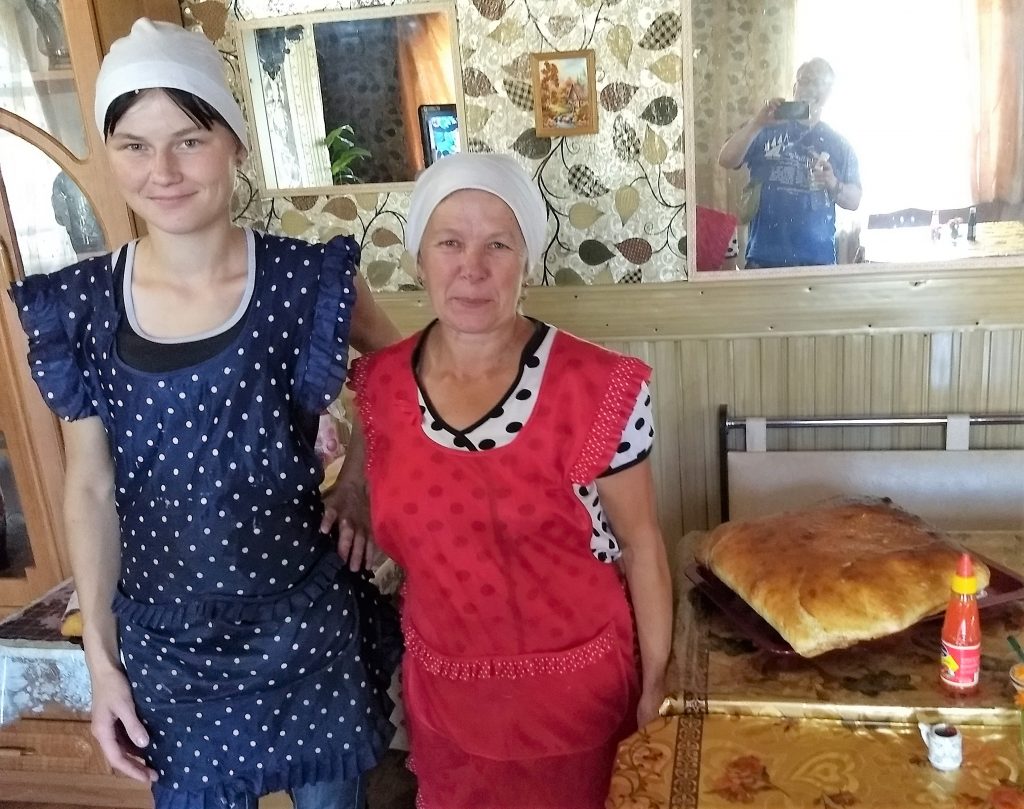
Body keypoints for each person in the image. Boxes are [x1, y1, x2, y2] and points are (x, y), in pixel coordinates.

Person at [7, 19, 402, 809]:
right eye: (133, 145)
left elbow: (398, 376)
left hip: (303, 628)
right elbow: (88, 488)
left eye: (189, 139)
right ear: (111, 153)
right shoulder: (80, 305)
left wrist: (359, 473)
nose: (162, 170)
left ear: (234, 144)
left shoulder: (305, 280)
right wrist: (102, 661)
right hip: (167, 646)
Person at [339, 153, 673, 808]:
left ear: (528, 259)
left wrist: (657, 678)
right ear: (419, 258)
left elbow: (643, 546)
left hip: (578, 706)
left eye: (499, 243)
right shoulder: (378, 388)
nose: (473, 267)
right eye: (450, 243)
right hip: (446, 708)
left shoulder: (598, 385)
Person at [718, 57, 862, 268]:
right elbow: (726, 159)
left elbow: (854, 200)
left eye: (819, 83)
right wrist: (757, 123)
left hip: (817, 263)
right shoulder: (765, 128)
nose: (811, 89)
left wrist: (833, 183)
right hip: (763, 260)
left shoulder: (838, 144)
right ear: (795, 87)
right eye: (805, 81)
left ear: (828, 94)